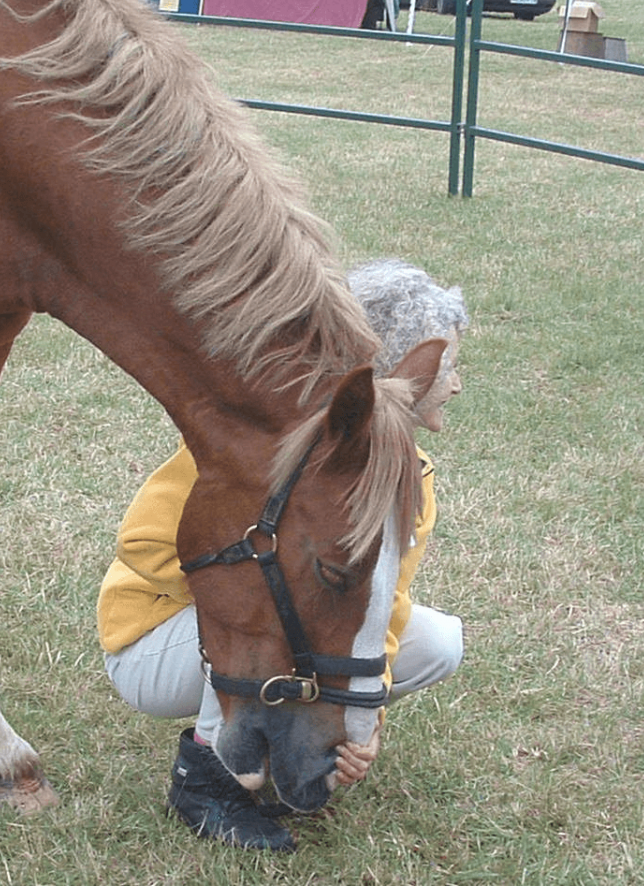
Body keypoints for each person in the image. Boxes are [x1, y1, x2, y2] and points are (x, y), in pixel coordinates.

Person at [97, 259, 468, 853]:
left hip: (257, 647)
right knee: (273, 609)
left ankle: (290, 740)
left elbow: (382, 609)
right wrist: (273, 583)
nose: (456, 384)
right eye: (448, 368)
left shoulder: (409, 478)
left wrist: (363, 724)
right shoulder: (255, 449)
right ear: (393, 378)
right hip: (155, 640)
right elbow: (141, 547)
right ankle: (206, 780)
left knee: (439, 642)